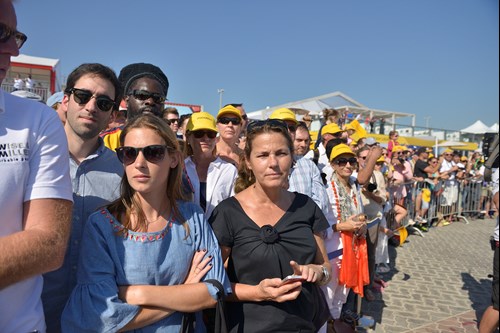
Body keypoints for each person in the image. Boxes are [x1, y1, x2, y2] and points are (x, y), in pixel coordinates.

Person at [61, 114, 230, 332]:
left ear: (173, 159)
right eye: (129, 153)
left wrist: (138, 293)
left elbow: (213, 290)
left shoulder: (193, 217)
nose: (139, 163)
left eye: (153, 153)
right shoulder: (101, 225)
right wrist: (185, 291)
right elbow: (101, 317)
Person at [209, 119, 332, 332]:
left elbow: (325, 267)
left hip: (303, 325)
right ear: (248, 161)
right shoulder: (228, 213)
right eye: (263, 155)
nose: (273, 163)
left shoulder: (306, 206)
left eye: (281, 153)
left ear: (292, 157)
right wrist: (258, 292)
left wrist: (317, 272)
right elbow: (212, 284)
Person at [0, 1, 73, 331]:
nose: (13, 49)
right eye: (1, 33)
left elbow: (49, 244)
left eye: (17, 36)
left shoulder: (36, 120)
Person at [41, 63, 124, 332]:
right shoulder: (35, 158)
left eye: (102, 102)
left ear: (111, 114)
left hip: (96, 318)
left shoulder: (125, 173)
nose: (91, 106)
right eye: (82, 96)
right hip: (31, 313)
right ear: (65, 100)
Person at [324, 143, 369, 329]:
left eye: (351, 161)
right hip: (333, 250)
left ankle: (334, 325)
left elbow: (359, 211)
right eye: (342, 161)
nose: (348, 165)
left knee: (342, 296)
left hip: (353, 248)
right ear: (333, 164)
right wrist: (343, 226)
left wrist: (362, 224)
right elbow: (319, 225)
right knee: (328, 295)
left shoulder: (354, 186)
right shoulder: (326, 187)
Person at [103, 62, 169, 151]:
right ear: (126, 99)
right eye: (141, 95)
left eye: (158, 98)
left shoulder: (170, 143)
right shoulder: (106, 142)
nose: (150, 101)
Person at [184, 111, 237, 218]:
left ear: (215, 139)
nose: (206, 138)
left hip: (219, 233)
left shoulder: (229, 170)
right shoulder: (180, 169)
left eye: (211, 134)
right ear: (188, 137)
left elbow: (235, 208)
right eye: (199, 134)